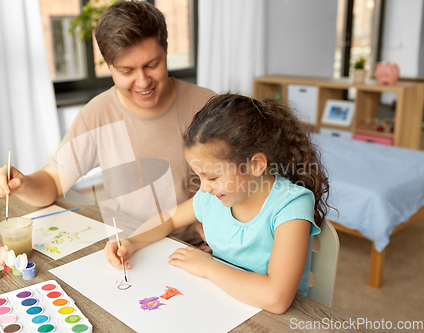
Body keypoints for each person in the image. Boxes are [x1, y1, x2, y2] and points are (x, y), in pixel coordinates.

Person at [0, 1, 215, 245]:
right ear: (109, 67)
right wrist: (21, 183)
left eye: (152, 65)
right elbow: (53, 182)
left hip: (199, 248)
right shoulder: (97, 114)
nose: (142, 81)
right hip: (131, 246)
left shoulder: (207, 106)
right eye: (127, 71)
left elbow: (243, 182)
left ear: (166, 53)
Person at [104, 93, 330, 314]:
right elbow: (170, 219)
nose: (204, 188)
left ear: (256, 165)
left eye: (212, 177)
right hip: (221, 304)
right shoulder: (214, 195)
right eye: (199, 176)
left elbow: (276, 298)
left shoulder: (291, 205)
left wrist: (208, 266)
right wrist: (132, 241)